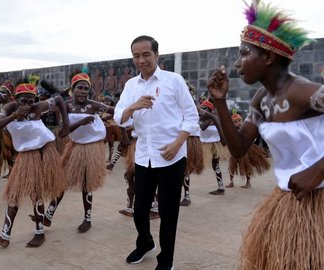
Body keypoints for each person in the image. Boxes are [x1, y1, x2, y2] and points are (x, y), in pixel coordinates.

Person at [207, 2, 323, 269]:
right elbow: (237, 149)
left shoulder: (304, 92)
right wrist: (220, 102)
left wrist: (318, 170)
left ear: (268, 57)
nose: (237, 63)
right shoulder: (262, 100)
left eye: (244, 53)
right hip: (291, 199)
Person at [114, 35, 199, 270]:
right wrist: (133, 106)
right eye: (136, 56)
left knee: (167, 212)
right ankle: (145, 244)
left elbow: (192, 117)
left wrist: (177, 143)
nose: (141, 60)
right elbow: (119, 118)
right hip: (143, 156)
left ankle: (166, 260)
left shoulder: (174, 81)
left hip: (171, 156)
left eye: (145, 55)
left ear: (156, 55)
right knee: (140, 209)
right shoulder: (131, 86)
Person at [0, 81, 70, 248]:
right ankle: (4, 235)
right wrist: (15, 116)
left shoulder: (38, 107)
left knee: (35, 193)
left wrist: (66, 124)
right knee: (13, 194)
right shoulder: (8, 108)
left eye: (31, 100)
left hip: (43, 152)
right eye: (23, 100)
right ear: (16, 99)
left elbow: (59, 99)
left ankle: (40, 233)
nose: (27, 104)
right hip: (25, 155)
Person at [31, 72, 113, 233]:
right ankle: (48, 216)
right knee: (62, 182)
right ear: (72, 89)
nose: (83, 91)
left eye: (86, 88)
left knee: (86, 184)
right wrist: (82, 122)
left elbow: (115, 110)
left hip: (92, 149)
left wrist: (107, 118)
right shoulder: (66, 105)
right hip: (74, 147)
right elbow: (63, 132)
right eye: (79, 88)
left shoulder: (93, 105)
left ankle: (87, 219)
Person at [198, 99, 227, 195]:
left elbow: (221, 130)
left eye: (205, 108)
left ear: (210, 110)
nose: (202, 110)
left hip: (215, 145)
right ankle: (185, 191)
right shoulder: (200, 120)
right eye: (201, 108)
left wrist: (212, 118)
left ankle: (221, 187)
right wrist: (212, 118)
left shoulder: (214, 119)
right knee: (189, 165)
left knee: (216, 165)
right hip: (202, 145)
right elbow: (202, 127)